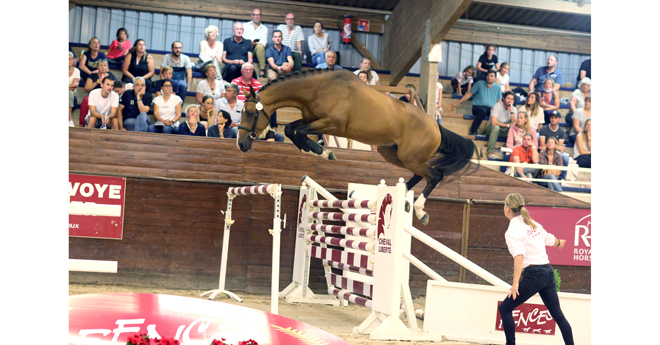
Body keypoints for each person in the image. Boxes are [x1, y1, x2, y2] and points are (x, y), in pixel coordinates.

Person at [498, 193, 574, 345]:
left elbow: (519, 256)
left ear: (507, 208)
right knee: (558, 316)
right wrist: (560, 243)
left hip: (534, 275)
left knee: (505, 309)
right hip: (548, 272)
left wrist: (515, 283)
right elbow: (549, 239)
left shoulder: (512, 232)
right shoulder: (533, 224)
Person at [451, 70, 502, 136]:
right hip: (477, 107)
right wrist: (457, 103)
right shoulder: (479, 83)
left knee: (495, 114)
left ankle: (487, 132)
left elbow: (499, 101)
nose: (489, 77)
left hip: (490, 109)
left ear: (495, 78)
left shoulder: (498, 87)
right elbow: (469, 94)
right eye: (488, 75)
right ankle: (473, 131)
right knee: (483, 111)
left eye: (492, 76)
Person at [485, 91, 517, 158]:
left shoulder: (514, 109)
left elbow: (514, 124)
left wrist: (511, 111)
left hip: (504, 130)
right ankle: (490, 153)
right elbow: (493, 122)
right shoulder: (497, 106)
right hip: (492, 129)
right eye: (508, 98)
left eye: (512, 99)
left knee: (514, 130)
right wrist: (508, 125)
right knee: (496, 128)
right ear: (503, 98)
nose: (510, 101)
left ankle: (510, 152)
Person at [538, 111, 569, 180]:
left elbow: (558, 147)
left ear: (559, 119)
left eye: (555, 117)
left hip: (556, 152)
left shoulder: (562, 131)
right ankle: (542, 176)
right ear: (549, 119)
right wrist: (554, 145)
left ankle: (561, 179)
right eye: (552, 117)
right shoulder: (543, 129)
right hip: (545, 151)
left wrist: (551, 145)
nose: (553, 119)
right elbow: (542, 145)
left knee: (565, 157)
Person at [243, 8, 268, 78]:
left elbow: (263, 43)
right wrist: (249, 43)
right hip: (246, 49)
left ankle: (262, 71)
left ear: (261, 16)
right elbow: (242, 39)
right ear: (252, 16)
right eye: (255, 15)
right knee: (247, 43)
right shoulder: (245, 25)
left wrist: (255, 44)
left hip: (256, 50)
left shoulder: (264, 29)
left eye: (258, 15)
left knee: (260, 46)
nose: (257, 16)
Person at [69, 51, 81, 127]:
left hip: (73, 97)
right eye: (68, 59)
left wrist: (70, 87)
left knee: (69, 93)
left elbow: (74, 86)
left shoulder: (76, 71)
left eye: (71, 59)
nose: (70, 60)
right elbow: (71, 85)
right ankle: (69, 120)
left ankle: (69, 118)